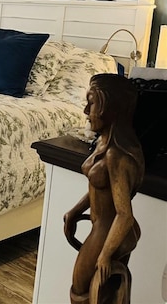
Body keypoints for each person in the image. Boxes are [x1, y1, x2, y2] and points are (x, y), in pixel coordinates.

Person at [63, 73, 145, 304]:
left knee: (80, 292)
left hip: (109, 229)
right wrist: (75, 211)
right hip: (101, 225)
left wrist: (106, 254)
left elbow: (124, 214)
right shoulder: (103, 143)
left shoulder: (117, 156)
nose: (85, 111)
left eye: (92, 103)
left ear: (111, 107)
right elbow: (99, 189)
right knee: (89, 293)